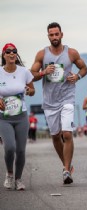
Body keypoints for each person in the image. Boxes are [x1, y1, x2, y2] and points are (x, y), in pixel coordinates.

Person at [30, 22, 87, 184]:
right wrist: (43, 72)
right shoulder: (42, 55)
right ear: (48, 36)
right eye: (51, 35)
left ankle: (65, 171)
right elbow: (31, 75)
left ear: (62, 35)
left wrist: (77, 77)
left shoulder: (71, 53)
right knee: (55, 136)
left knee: (67, 134)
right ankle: (67, 166)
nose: (54, 37)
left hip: (67, 98)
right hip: (50, 102)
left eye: (57, 34)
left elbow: (84, 68)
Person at [0, 43, 35, 190]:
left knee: (20, 150)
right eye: (8, 52)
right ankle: (9, 174)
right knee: (10, 147)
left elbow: (32, 90)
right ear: (4, 55)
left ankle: (19, 179)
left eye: (14, 51)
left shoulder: (24, 72)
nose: (12, 54)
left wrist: (29, 90)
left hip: (21, 116)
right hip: (4, 117)